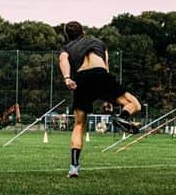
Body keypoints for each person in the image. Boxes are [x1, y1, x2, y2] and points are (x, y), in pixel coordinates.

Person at [59, 21, 142, 178]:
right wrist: (108, 98)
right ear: (83, 31)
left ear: (68, 36)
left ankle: (74, 168)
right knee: (134, 104)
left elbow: (63, 60)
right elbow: (106, 66)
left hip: (82, 80)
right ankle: (122, 118)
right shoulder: (98, 42)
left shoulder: (67, 47)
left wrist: (67, 78)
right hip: (101, 75)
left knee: (79, 125)